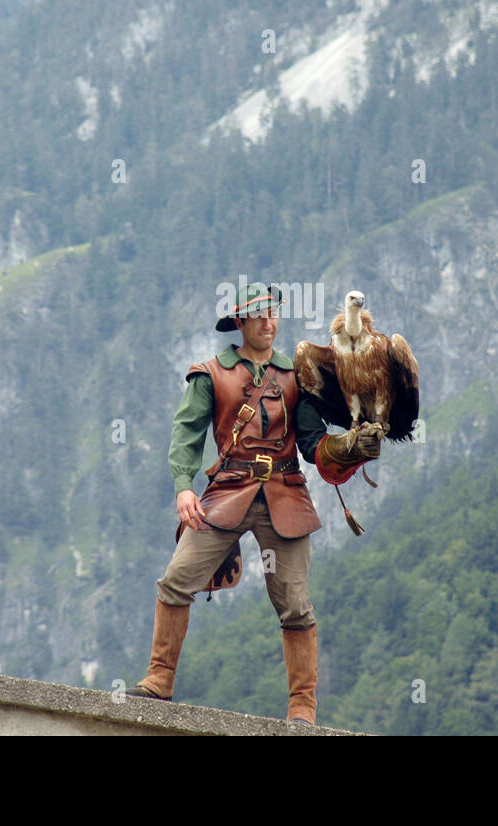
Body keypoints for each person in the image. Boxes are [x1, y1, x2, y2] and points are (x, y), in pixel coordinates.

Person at [125, 281, 383, 724]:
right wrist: (184, 487)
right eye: (259, 315)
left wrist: (349, 448)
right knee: (176, 580)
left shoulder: (298, 378)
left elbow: (312, 442)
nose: (269, 322)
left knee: (296, 606)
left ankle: (302, 708)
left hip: (285, 494)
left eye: (274, 313)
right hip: (227, 492)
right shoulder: (211, 374)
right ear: (240, 323)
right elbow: (186, 434)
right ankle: (159, 679)